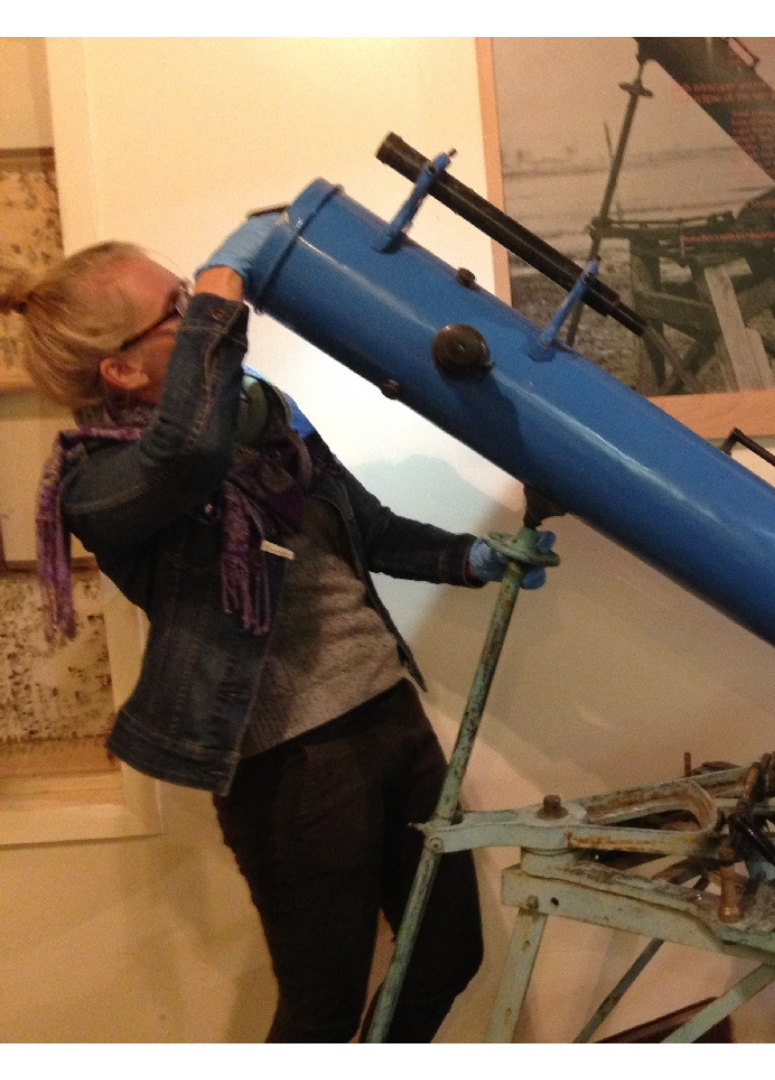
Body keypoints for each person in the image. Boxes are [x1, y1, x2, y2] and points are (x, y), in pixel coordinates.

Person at [0, 216, 554, 1042]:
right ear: (116, 368)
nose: (201, 318)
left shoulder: (266, 422)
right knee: (319, 1016)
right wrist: (226, 288)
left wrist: (472, 556)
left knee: (444, 960)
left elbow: (367, 528)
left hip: (389, 719)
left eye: (196, 299)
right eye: (178, 311)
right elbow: (186, 453)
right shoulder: (102, 483)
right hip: (292, 766)